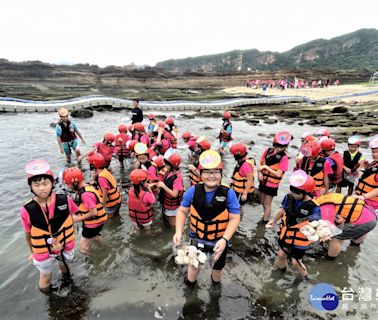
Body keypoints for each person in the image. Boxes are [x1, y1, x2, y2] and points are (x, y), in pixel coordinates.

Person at [173, 150, 240, 285]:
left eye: (215, 172)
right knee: (193, 266)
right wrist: (178, 231)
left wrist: (225, 239)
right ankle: (190, 288)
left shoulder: (229, 194)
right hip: (197, 238)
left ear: (221, 174)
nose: (211, 176)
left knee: (217, 270)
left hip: (219, 241)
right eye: (207, 172)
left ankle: (215, 289)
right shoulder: (192, 191)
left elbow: (234, 218)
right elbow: (182, 212)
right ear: (200, 174)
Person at [20, 160, 78, 293]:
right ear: (31, 187)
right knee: (45, 277)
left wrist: (72, 236)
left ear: (52, 183)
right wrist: (32, 252)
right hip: (43, 251)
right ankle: (50, 300)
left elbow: (71, 219)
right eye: (37, 184)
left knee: (65, 267)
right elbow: (28, 234)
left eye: (45, 183)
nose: (41, 188)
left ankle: (66, 286)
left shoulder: (65, 200)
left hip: (65, 243)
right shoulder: (27, 210)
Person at [266, 170, 321, 280]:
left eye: (297, 192)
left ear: (306, 192)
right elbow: (282, 209)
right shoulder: (289, 197)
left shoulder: (313, 206)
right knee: (281, 255)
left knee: (296, 262)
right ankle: (280, 273)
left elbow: (317, 222)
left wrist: (317, 232)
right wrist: (273, 220)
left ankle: (305, 278)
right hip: (286, 233)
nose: (294, 194)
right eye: (292, 190)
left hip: (300, 238)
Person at [317, 193, 377, 258]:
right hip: (370, 214)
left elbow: (331, 229)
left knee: (336, 236)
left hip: (365, 222)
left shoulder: (325, 208)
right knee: (346, 231)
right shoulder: (326, 198)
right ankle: (355, 245)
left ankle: (330, 257)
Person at [63, 167, 107, 255]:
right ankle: (106, 248)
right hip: (99, 221)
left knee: (83, 247)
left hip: (93, 224)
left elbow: (94, 212)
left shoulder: (85, 195)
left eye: (68, 184)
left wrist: (77, 219)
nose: (67, 186)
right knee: (95, 236)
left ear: (75, 182)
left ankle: (94, 260)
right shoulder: (87, 187)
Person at [258, 131, 291, 223]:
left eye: (283, 147)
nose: (280, 148)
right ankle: (265, 214)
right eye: (278, 146)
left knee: (267, 204)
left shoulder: (284, 158)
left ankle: (264, 220)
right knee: (262, 202)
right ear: (274, 144)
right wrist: (259, 173)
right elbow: (261, 164)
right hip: (263, 181)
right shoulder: (267, 151)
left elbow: (278, 174)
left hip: (272, 185)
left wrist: (266, 167)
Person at [87, 152, 122, 218]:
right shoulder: (105, 171)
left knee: (109, 221)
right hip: (117, 200)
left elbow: (105, 194)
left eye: (90, 163)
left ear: (94, 165)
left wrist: (102, 206)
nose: (89, 164)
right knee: (116, 216)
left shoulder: (101, 178)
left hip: (111, 204)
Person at [158, 152, 184, 226]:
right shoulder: (169, 171)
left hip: (172, 206)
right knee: (166, 221)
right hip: (166, 202)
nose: (165, 166)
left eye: (167, 164)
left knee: (173, 225)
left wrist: (163, 186)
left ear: (173, 166)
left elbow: (174, 194)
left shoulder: (178, 178)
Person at [230, 142, 255, 218]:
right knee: (237, 205)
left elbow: (250, 179)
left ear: (238, 154)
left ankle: (238, 218)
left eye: (234, 154)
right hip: (237, 189)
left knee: (238, 206)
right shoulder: (241, 162)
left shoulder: (246, 165)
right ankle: (238, 218)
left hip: (242, 191)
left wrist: (245, 194)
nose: (233, 156)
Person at [355, 134, 378, 210]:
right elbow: (371, 176)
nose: (374, 154)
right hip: (364, 201)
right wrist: (366, 166)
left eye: (377, 152)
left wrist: (364, 196)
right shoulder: (375, 162)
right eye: (373, 152)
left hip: (373, 205)